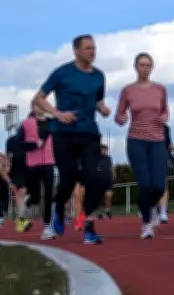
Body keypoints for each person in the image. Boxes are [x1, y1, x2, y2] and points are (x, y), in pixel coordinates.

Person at [34, 34, 110, 244]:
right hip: (63, 133)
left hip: (89, 133)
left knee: (95, 178)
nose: (92, 52)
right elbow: (38, 99)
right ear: (76, 51)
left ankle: (88, 227)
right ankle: (58, 209)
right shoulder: (62, 72)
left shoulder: (99, 76)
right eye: (87, 48)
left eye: (94, 48)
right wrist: (57, 114)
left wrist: (102, 109)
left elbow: (98, 100)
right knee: (68, 178)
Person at [113, 52, 170, 240]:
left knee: (159, 186)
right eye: (141, 65)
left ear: (151, 67)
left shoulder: (160, 89)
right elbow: (119, 115)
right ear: (136, 67)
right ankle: (146, 225)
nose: (144, 68)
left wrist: (164, 118)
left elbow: (165, 112)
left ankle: (149, 207)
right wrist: (121, 119)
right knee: (145, 184)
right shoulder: (128, 90)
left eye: (148, 65)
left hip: (158, 140)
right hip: (136, 140)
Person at [14, 104, 58, 240]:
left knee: (49, 194)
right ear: (32, 108)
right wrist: (34, 145)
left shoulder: (51, 123)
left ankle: (46, 228)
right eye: (36, 105)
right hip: (33, 164)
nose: (39, 107)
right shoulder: (26, 124)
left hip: (49, 163)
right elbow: (19, 143)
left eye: (41, 104)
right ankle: (24, 206)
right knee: (35, 196)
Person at [158, 124, 174, 224]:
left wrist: (171, 157)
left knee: (163, 185)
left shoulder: (165, 128)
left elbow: (168, 144)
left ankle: (163, 212)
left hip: (163, 158)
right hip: (149, 158)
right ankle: (151, 208)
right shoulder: (146, 124)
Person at [99, 145, 114, 220]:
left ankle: (107, 211)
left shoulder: (109, 158)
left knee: (108, 196)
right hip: (99, 182)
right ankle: (100, 212)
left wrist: (113, 174)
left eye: (105, 150)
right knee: (100, 199)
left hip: (108, 181)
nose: (103, 151)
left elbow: (111, 168)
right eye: (102, 150)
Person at [0, 151, 11, 227]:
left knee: (5, 197)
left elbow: (7, 170)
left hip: (5, 180)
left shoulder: (6, 161)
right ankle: (1, 217)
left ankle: (3, 213)